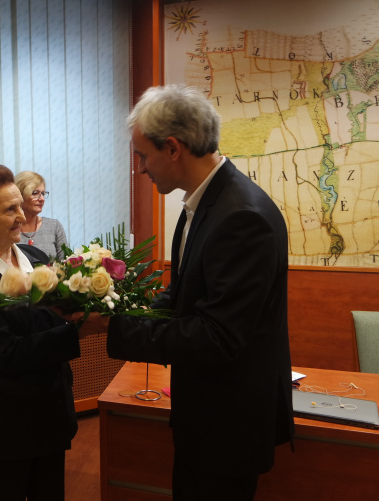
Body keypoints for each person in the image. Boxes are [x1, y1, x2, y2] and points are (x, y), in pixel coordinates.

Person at [105, 84, 294, 500]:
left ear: (173, 148)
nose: (141, 169)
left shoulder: (241, 217)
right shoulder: (204, 202)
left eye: (142, 155)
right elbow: (181, 295)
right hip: (205, 413)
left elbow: (217, 336)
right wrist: (126, 315)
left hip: (228, 425)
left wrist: (113, 328)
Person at [0, 163, 97, 501]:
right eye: (9, 209)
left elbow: (50, 318)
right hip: (4, 426)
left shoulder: (35, 258)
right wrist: (79, 332)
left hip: (50, 414)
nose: (21, 215)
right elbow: (6, 354)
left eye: (19, 205)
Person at [15, 170, 67, 260]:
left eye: (43, 193)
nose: (42, 199)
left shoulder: (54, 226)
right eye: (35, 193)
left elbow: (66, 262)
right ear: (20, 195)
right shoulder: (9, 228)